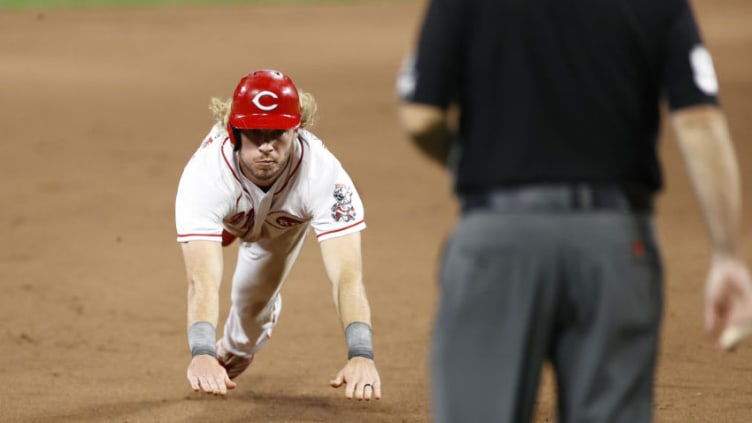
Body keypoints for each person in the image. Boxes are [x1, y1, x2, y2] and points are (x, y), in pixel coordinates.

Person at [397, 1, 752, 422]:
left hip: (498, 240)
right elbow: (699, 121)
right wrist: (726, 254)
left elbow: (420, 118)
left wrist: (471, 164)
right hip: (617, 245)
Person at [175, 69, 381, 400]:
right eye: (255, 134)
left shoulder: (323, 174)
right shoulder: (205, 175)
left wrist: (361, 353)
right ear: (234, 131)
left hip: (280, 225)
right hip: (229, 198)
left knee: (252, 311)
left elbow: (347, 275)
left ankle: (235, 350)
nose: (267, 146)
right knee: (225, 216)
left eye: (278, 133)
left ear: (297, 129)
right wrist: (200, 351)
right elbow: (202, 280)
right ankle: (230, 224)